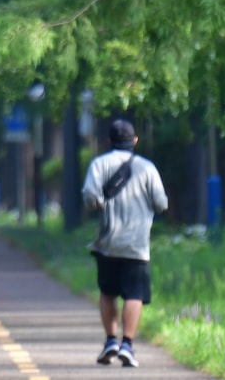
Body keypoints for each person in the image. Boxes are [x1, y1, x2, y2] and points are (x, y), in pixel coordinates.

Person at [82, 118, 167, 368]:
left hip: (107, 241)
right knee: (134, 294)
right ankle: (127, 345)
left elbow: (89, 196)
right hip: (137, 245)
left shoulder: (99, 164)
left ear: (109, 141)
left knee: (108, 293)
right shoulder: (147, 168)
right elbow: (162, 204)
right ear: (135, 141)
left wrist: (101, 205)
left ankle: (110, 340)